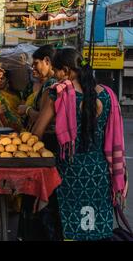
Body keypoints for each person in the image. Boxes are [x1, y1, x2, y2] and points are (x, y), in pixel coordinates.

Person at [32, 48, 127, 240]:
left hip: (68, 175)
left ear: (65, 71)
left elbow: (36, 133)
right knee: (96, 231)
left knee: (65, 229)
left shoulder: (58, 94)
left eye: (57, 72)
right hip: (100, 176)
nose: (56, 78)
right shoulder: (107, 95)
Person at [16, 45, 63, 241]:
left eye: (36, 64)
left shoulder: (52, 86)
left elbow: (45, 119)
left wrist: (26, 110)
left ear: (47, 61)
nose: (34, 69)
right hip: (44, 143)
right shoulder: (46, 84)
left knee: (39, 194)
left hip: (45, 144)